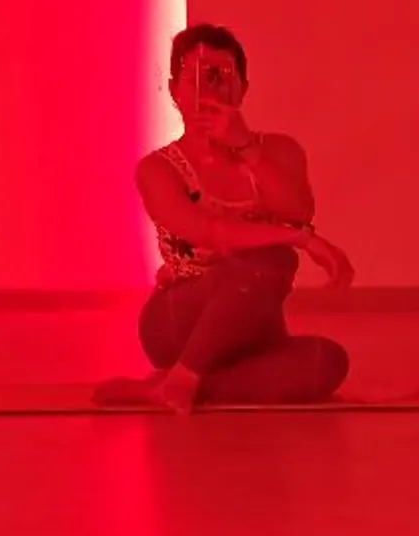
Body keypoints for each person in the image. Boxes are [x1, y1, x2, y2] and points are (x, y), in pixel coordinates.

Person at [94, 24, 354, 413]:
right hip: (181, 320)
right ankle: (185, 373)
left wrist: (245, 147)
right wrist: (300, 239)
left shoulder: (279, 150)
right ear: (174, 90)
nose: (210, 90)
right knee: (272, 259)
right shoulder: (158, 168)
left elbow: (298, 211)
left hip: (253, 328)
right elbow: (208, 232)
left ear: (243, 88)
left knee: (326, 362)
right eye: (198, 78)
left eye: (222, 77)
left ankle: (187, 385)